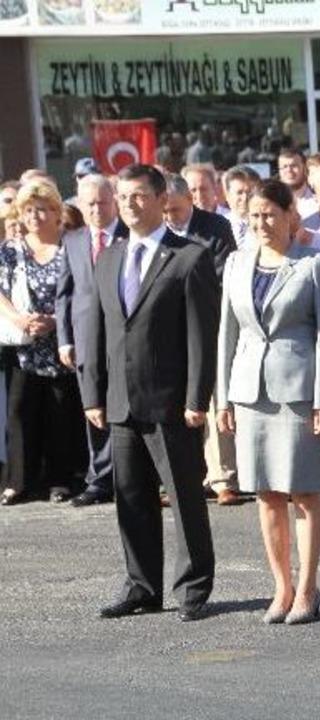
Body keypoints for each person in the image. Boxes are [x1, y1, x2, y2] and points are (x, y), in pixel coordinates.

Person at [83, 164, 218, 622]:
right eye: (123, 197)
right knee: (131, 498)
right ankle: (141, 587)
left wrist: (198, 398)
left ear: (163, 201)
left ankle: (194, 589)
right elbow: (98, 331)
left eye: (139, 196)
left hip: (171, 402)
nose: (129, 204)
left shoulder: (189, 257)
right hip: (121, 401)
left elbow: (203, 335)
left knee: (184, 498)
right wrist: (93, 394)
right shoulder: (109, 259)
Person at [217, 178, 320, 625]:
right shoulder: (235, 263)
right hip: (250, 392)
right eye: (254, 216)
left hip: (298, 391)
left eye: (270, 214)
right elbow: (226, 335)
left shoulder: (314, 264)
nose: (262, 223)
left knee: (304, 492)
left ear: (291, 216)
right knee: (266, 494)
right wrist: (224, 399)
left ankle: (308, 587)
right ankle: (281, 587)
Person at [0, 182, 87, 506]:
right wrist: (19, 319)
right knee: (21, 412)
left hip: (61, 342)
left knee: (60, 412)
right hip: (23, 345)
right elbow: (1, 291)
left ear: (55, 211)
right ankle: (19, 482)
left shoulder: (70, 246)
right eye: (27, 210)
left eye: (41, 209)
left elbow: (81, 292)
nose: (34, 216)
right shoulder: (10, 249)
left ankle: (61, 479)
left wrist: (54, 320)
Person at [162, 172, 242, 507]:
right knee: (173, 405)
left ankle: (223, 478)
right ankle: (178, 478)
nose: (170, 217)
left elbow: (226, 273)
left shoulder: (215, 227)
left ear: (190, 201)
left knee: (210, 402)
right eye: (164, 210)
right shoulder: (156, 230)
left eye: (176, 210)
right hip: (168, 328)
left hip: (209, 323)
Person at [56, 174, 127, 507]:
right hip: (85, 338)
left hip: (123, 338)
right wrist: (64, 340)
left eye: (102, 202)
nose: (97, 209)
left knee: (126, 407)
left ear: (113, 201)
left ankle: (130, 476)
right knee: (94, 409)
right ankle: (99, 479)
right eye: (89, 204)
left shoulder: (130, 236)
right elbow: (64, 294)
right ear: (79, 206)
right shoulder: (72, 240)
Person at [222, 165, 260, 245]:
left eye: (250, 192)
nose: (245, 198)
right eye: (239, 192)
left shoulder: (267, 225)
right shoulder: (218, 226)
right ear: (227, 196)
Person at [278, 148, 318, 219]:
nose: (289, 170)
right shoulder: (274, 201)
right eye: (284, 167)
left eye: (294, 166)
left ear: (304, 168)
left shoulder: (318, 200)